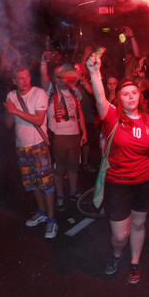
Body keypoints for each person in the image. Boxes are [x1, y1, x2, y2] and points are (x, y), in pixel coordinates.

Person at [86, 52, 149, 285]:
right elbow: (100, 98)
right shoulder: (112, 117)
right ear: (119, 98)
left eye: (134, 92)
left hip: (143, 183)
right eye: (125, 93)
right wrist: (94, 73)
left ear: (139, 95)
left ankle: (134, 262)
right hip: (118, 183)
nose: (131, 97)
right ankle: (116, 255)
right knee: (119, 235)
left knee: (139, 224)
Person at [4, 67, 58, 239]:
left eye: (27, 76)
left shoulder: (39, 93)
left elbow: (39, 119)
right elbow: (8, 124)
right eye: (20, 78)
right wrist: (8, 111)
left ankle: (51, 219)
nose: (25, 80)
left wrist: (16, 111)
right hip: (21, 146)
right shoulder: (11, 96)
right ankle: (42, 212)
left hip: (38, 145)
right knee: (32, 182)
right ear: (14, 80)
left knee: (46, 184)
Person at [40, 59, 87, 210]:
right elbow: (43, 77)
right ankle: (60, 194)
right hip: (58, 135)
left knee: (74, 166)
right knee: (58, 168)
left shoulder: (74, 91)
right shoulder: (50, 89)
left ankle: (73, 191)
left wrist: (84, 131)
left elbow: (79, 112)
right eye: (58, 75)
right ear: (54, 77)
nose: (61, 78)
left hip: (74, 135)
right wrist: (43, 63)